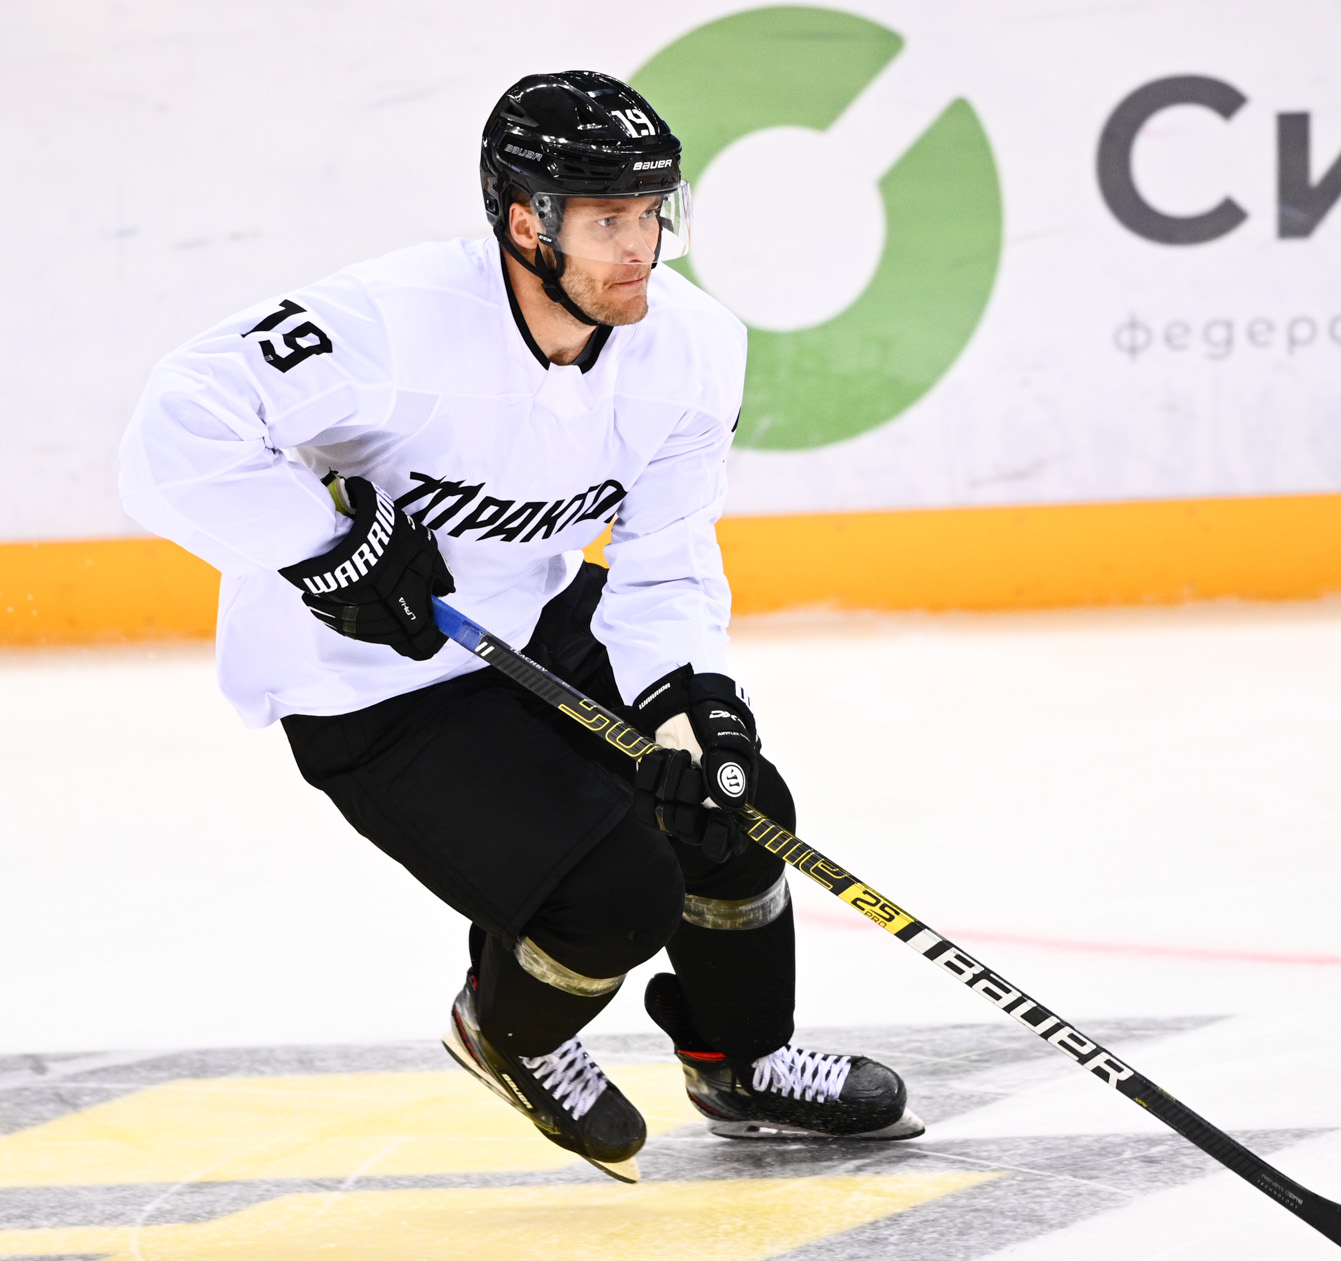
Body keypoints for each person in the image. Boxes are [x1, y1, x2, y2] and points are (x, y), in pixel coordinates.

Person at [118, 71, 921, 1182]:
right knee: (616, 896)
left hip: (532, 621)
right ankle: (507, 1031)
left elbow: (665, 553)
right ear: (524, 220)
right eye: (607, 220)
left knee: (735, 811)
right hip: (367, 679)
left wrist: (691, 702)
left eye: (652, 214)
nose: (640, 247)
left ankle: (741, 1059)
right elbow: (176, 426)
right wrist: (322, 544)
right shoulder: (388, 320)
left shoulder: (694, 345)